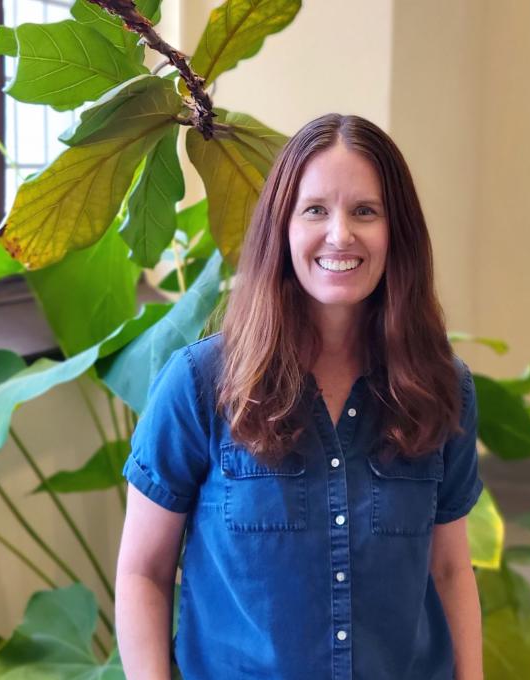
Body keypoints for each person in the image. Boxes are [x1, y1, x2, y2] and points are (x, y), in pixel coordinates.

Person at [115, 113, 485, 680]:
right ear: (281, 228)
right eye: (315, 210)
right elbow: (144, 570)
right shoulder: (201, 382)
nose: (341, 234)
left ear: (397, 232)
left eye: (365, 210)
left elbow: (451, 569)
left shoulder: (440, 386)